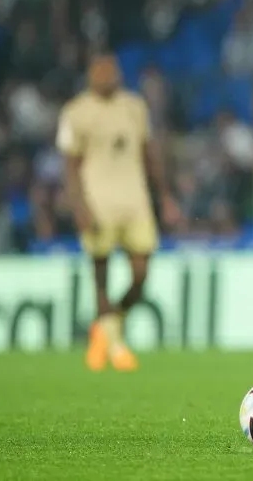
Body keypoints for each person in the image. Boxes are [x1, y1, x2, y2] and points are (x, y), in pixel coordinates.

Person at [56, 53, 179, 371]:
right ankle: (116, 346)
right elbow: (70, 167)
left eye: (112, 71)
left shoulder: (134, 106)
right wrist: (79, 206)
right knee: (101, 276)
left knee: (141, 274)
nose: (107, 76)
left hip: (135, 200)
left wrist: (164, 196)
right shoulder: (76, 112)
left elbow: (149, 153)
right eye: (101, 71)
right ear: (90, 75)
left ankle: (107, 330)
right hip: (98, 202)